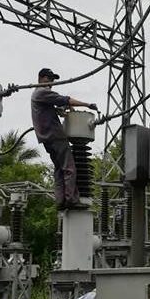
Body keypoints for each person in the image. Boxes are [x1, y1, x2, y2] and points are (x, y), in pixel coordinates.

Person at [30, 68, 99, 209]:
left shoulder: (37, 95)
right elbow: (64, 99)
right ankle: (72, 200)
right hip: (55, 136)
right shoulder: (42, 92)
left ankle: (61, 201)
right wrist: (88, 105)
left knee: (59, 169)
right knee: (69, 168)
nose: (51, 83)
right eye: (48, 79)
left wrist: (60, 112)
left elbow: (52, 108)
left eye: (52, 80)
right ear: (41, 78)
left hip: (46, 137)